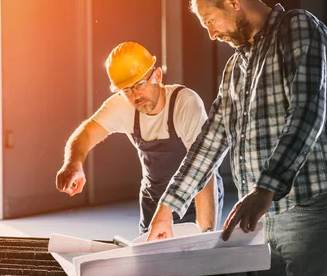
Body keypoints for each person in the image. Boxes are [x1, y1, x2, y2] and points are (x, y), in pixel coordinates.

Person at [146, 0, 327, 276]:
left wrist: (265, 189)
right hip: (260, 216)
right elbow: (212, 137)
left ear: (233, 2)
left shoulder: (298, 29)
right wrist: (170, 205)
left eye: (210, 20)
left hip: (310, 208)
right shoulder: (236, 66)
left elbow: (308, 113)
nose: (211, 33)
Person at [56, 41, 224, 235]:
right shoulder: (122, 106)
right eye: (127, 90)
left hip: (195, 200)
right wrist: (73, 163)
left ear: (158, 76)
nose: (136, 95)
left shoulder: (185, 103)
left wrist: (205, 232)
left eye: (140, 84)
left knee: (194, 260)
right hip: (153, 202)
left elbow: (204, 170)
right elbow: (86, 132)